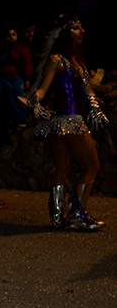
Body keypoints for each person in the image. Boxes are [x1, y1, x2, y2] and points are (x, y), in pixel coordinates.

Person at [28, 17, 108, 230]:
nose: (82, 30)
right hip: (69, 122)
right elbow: (43, 89)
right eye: (76, 28)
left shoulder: (76, 60)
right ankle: (76, 215)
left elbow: (85, 89)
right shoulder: (57, 59)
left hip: (62, 123)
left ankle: (57, 217)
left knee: (62, 168)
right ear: (64, 33)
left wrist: (94, 106)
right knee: (92, 166)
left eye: (81, 27)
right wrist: (34, 99)